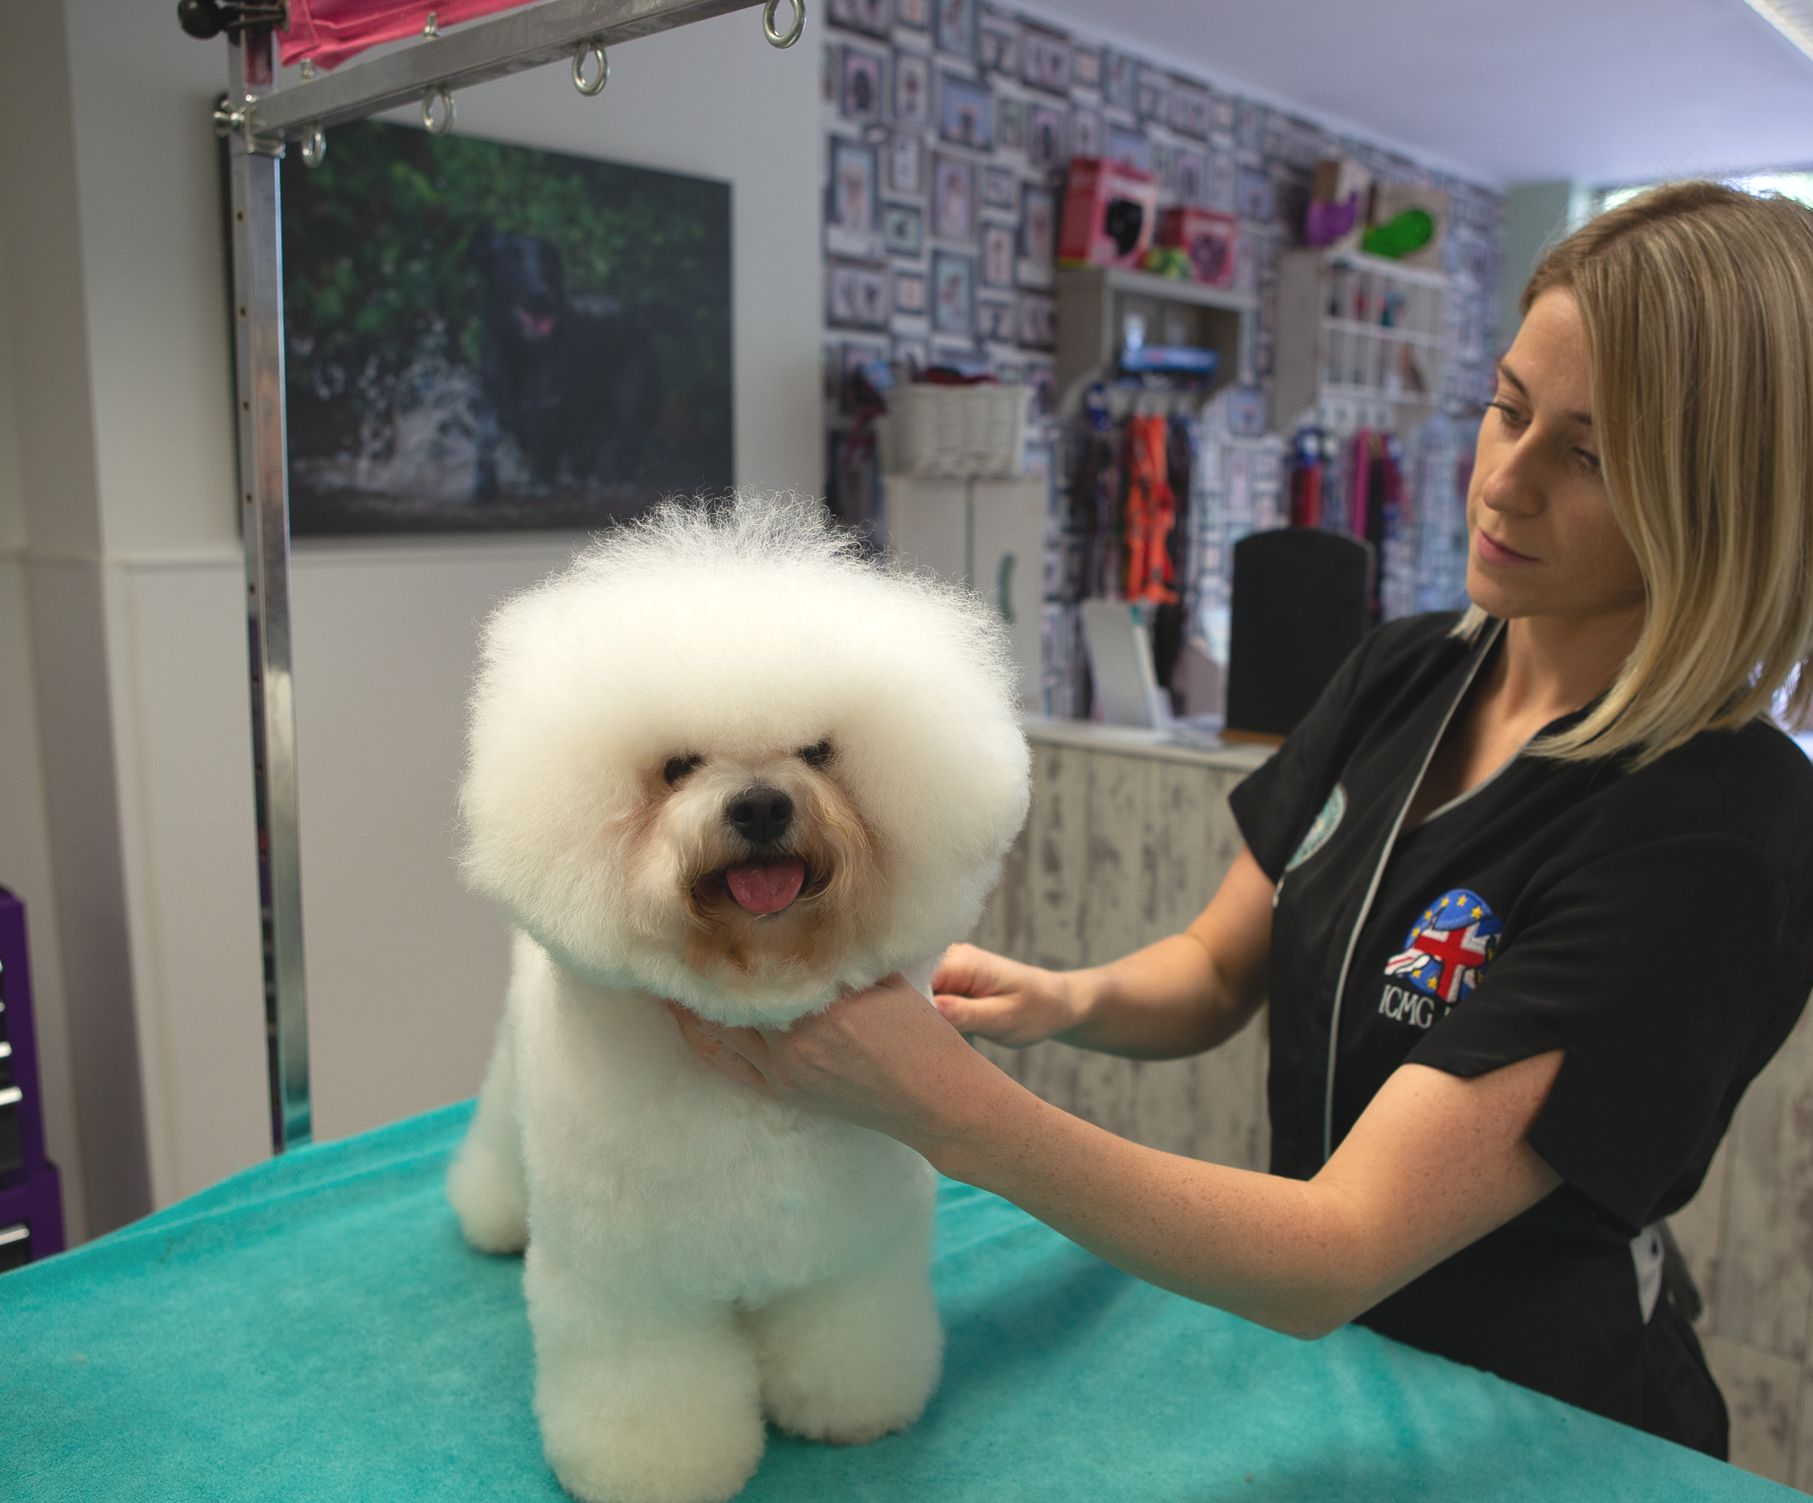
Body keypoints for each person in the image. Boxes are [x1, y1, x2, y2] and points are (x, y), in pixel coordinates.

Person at [669, 181, 1813, 1459]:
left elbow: (1339, 1249)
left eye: (1586, 457)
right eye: (1507, 408)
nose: (1505, 480)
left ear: (1720, 498)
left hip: (1538, 1418)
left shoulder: (1713, 830)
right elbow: (1219, 969)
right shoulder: (1408, 674)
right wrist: (1065, 1000)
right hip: (1335, 1370)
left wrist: (949, 1111)